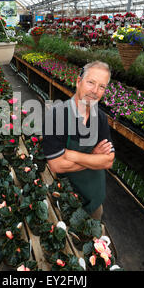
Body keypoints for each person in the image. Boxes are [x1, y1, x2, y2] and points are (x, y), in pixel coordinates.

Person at [42, 61, 115, 220]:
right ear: (78, 81)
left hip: (95, 198)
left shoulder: (100, 117)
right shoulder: (57, 116)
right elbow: (56, 165)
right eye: (91, 82)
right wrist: (94, 157)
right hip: (68, 198)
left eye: (101, 87)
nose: (95, 91)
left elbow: (108, 161)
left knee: (93, 231)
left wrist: (73, 155)